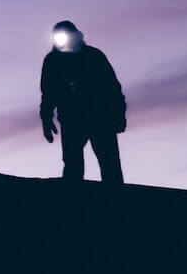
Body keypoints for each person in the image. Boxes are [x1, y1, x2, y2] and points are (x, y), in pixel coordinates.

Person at [40, 20, 126, 184]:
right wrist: (46, 118)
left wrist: (119, 114)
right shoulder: (52, 62)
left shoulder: (94, 56)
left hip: (100, 117)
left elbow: (112, 88)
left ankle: (116, 202)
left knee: (110, 165)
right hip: (71, 119)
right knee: (73, 167)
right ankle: (75, 203)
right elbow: (48, 93)